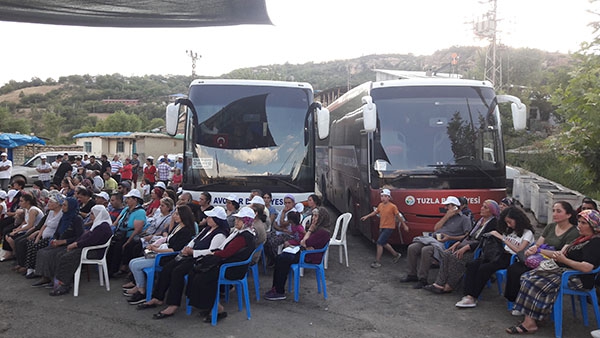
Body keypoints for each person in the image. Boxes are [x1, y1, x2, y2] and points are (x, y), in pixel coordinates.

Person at [505, 209, 600, 334]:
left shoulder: (595, 243)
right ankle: (536, 316)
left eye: (583, 223)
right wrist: (539, 251)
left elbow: (587, 268)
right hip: (565, 271)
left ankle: (530, 323)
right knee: (527, 276)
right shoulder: (581, 239)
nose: (579, 225)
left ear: (593, 226)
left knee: (534, 281)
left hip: (578, 277)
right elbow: (559, 254)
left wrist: (564, 260)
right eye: (579, 222)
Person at [137, 206, 230, 318]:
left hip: (201, 260)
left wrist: (193, 252)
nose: (207, 218)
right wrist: (186, 248)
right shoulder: (207, 229)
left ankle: (173, 304)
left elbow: (212, 252)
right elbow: (194, 240)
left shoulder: (220, 234)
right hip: (190, 255)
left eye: (210, 217)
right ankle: (157, 297)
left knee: (178, 272)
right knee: (167, 268)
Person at [186, 206, 256, 322]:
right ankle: (209, 306)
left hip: (232, 268)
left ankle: (218, 309)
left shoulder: (244, 236)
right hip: (227, 263)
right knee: (195, 272)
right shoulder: (239, 232)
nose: (236, 221)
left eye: (239, 220)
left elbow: (226, 253)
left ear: (246, 222)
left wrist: (213, 254)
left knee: (203, 276)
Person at [455, 206, 535, 308]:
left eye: (510, 222)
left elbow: (520, 250)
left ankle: (472, 296)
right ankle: (468, 294)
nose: (508, 225)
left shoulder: (527, 233)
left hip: (512, 258)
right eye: (506, 222)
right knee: (472, 265)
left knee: (485, 268)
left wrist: (502, 238)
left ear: (517, 220)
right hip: (499, 254)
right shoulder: (510, 230)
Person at [504, 201, 580, 306]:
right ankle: (514, 301)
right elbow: (538, 244)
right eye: (553, 211)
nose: (554, 214)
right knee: (514, 269)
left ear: (568, 215)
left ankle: (529, 306)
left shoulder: (573, 232)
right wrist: (533, 249)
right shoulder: (551, 227)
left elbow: (561, 254)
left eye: (558, 211)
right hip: (539, 259)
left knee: (527, 276)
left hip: (554, 264)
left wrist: (539, 250)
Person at [423, 199, 500, 294]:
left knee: (456, 257)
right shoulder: (480, 221)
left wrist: (466, 247)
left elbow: (485, 240)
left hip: (478, 250)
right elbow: (469, 235)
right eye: (482, 206)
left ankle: (450, 285)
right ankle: (439, 283)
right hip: (467, 244)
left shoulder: (494, 223)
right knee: (446, 253)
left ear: (491, 211)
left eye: (485, 207)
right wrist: (458, 243)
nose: (482, 208)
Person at [124, 204, 195, 304]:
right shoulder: (178, 226)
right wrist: (155, 247)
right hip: (161, 252)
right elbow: (168, 240)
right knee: (132, 262)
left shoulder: (186, 231)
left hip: (167, 257)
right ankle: (139, 286)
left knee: (136, 265)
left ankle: (142, 291)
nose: (174, 216)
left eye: (177, 214)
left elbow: (174, 249)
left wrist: (156, 250)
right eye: (174, 214)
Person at [401, 196, 472, 289]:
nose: (445, 208)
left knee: (426, 250)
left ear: (455, 206)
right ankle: (412, 274)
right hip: (434, 239)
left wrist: (450, 237)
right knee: (412, 247)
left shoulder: (465, 219)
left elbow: (467, 236)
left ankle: (423, 279)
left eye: (448, 206)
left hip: (447, 243)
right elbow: (436, 228)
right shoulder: (447, 217)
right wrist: (446, 216)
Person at [264, 206, 331, 301]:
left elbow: (304, 242)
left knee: (282, 259)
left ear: (322, 218)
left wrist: (310, 230)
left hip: (310, 257)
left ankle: (279, 291)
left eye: (316, 216)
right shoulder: (318, 229)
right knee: (280, 258)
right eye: (313, 216)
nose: (313, 218)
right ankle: (276, 288)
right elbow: (304, 243)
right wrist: (306, 243)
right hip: (306, 252)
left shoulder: (322, 232)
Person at [46, 205, 113, 296]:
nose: (91, 216)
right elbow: (86, 237)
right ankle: (59, 281)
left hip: (93, 252)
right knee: (60, 253)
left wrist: (76, 244)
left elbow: (91, 240)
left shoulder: (103, 226)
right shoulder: (98, 224)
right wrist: (75, 244)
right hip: (87, 249)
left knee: (66, 257)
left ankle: (64, 284)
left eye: (92, 214)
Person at [32, 197, 84, 287]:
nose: (62, 207)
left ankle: (55, 279)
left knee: (54, 254)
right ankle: (45, 277)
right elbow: (57, 232)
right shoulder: (63, 217)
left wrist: (64, 241)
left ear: (70, 207)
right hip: (59, 242)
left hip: (69, 244)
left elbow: (79, 237)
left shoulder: (77, 219)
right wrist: (54, 240)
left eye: (64, 205)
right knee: (42, 252)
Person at [361, 188, 407, 268]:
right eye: (382, 196)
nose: (383, 198)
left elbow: (398, 216)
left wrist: (404, 225)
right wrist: (367, 216)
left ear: (389, 197)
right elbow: (375, 212)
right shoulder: (380, 205)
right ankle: (396, 254)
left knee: (379, 243)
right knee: (383, 242)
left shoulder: (393, 206)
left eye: (385, 196)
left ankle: (377, 261)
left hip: (389, 227)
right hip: (382, 226)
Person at [23, 193, 64, 278]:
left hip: (51, 238)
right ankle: (30, 268)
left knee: (36, 247)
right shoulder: (51, 212)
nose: (48, 204)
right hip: (44, 235)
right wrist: (38, 236)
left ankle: (35, 270)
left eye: (51, 202)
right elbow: (44, 225)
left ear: (57, 204)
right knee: (31, 243)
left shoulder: (61, 214)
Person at [107, 189, 146, 277]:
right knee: (110, 246)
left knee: (118, 248)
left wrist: (127, 242)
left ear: (135, 200)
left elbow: (137, 230)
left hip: (129, 236)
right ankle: (107, 268)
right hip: (119, 233)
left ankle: (114, 271)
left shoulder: (140, 212)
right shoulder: (126, 209)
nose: (126, 200)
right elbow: (117, 222)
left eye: (129, 198)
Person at [2, 193, 44, 262]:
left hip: (32, 229)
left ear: (27, 202)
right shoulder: (27, 209)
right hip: (26, 228)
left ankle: (17, 256)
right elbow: (25, 222)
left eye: (21, 201)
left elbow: (30, 225)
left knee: (12, 239)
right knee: (7, 235)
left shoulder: (33, 210)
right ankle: (13, 253)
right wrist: (18, 228)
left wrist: (17, 231)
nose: (19, 203)